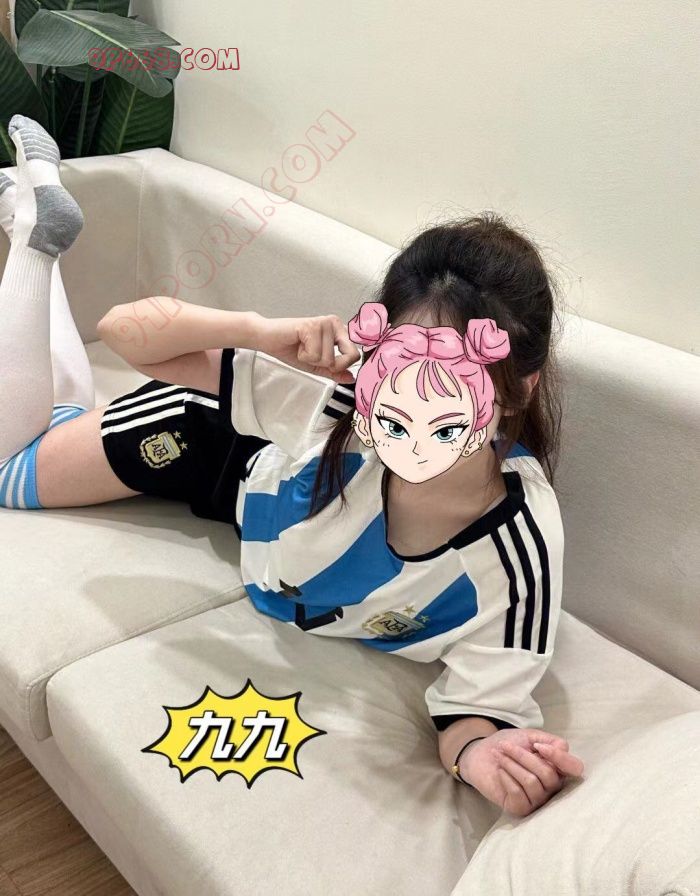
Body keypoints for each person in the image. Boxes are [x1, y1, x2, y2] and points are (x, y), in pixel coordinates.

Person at [0, 115, 584, 817]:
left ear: (519, 387)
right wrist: (260, 333)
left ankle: (34, 231)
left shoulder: (521, 549)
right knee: (10, 470)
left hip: (259, 508)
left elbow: (475, 712)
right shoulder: (341, 403)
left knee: (58, 421)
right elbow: (126, 333)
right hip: (211, 439)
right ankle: (36, 244)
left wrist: (479, 755)